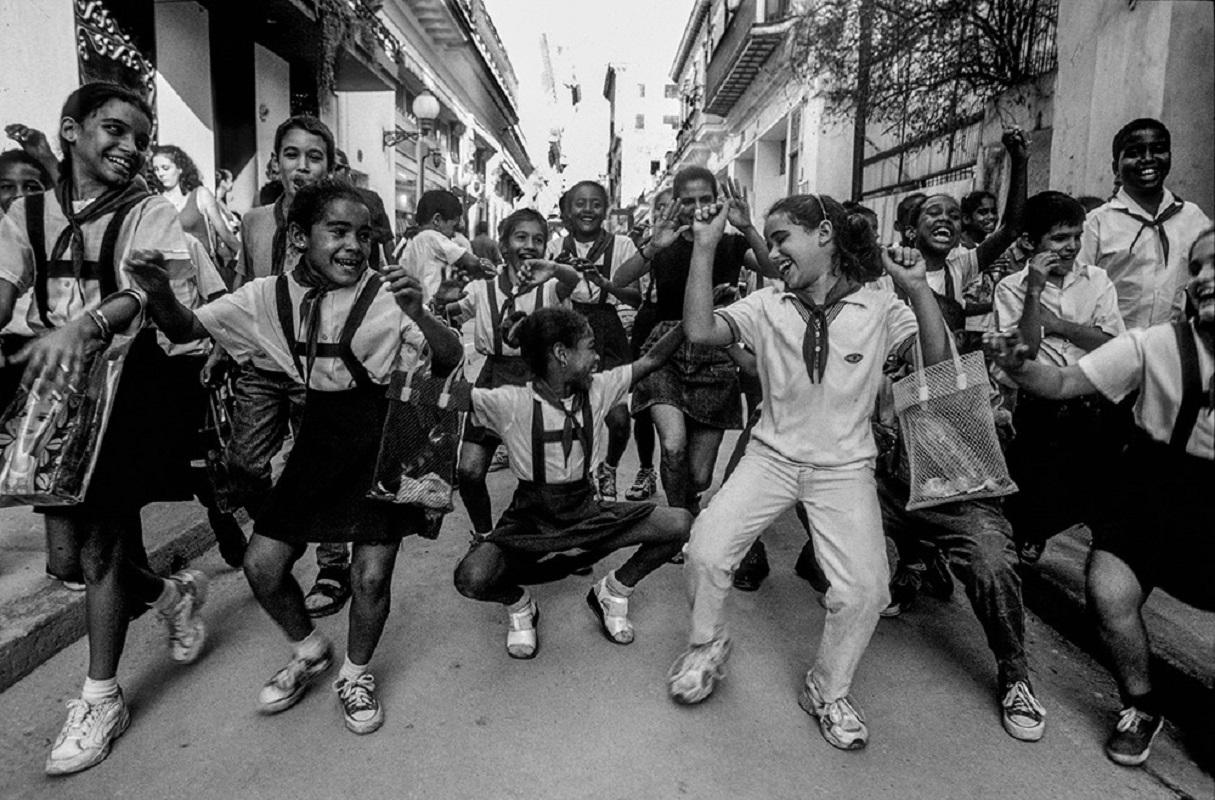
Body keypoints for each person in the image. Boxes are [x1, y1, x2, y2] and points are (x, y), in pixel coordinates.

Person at [129, 179, 463, 735]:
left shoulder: (389, 292)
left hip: (384, 435)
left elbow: (448, 360)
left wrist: (419, 312)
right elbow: (188, 328)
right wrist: (159, 291)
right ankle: (310, 649)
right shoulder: (264, 296)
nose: (353, 245)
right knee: (262, 566)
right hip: (319, 436)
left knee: (371, 575)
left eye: (364, 234)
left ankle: (355, 673)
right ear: (301, 236)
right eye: (338, 231)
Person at [668, 193, 951, 752]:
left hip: (845, 468)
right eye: (769, 241)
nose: (773, 252)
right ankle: (705, 644)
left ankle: (827, 688)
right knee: (706, 549)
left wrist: (919, 288)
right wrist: (704, 248)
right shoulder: (767, 304)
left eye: (781, 238)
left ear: (824, 234)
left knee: (866, 589)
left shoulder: (880, 306)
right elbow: (700, 331)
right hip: (770, 459)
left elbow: (939, 364)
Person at [0, 82, 209, 776]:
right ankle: (172, 593)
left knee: (100, 544)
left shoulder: (150, 210)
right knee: (66, 562)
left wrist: (84, 325)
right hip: (50, 393)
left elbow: (140, 294)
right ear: (70, 130)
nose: (129, 147)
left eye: (140, 139)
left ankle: (100, 696)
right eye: (114, 131)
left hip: (124, 391)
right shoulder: (24, 213)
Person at [984, 227, 1213, 768]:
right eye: (1197, 269)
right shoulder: (1154, 344)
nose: (1204, 279)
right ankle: (1141, 703)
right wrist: (1018, 365)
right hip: (1154, 490)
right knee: (1109, 593)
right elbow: (1062, 383)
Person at [452, 305, 691, 657]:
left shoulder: (599, 388)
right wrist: (422, 327)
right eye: (590, 347)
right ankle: (520, 605)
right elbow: (438, 394)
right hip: (530, 517)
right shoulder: (509, 401)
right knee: (470, 578)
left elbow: (652, 360)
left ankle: (614, 591)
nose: (597, 357)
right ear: (562, 354)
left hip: (585, 508)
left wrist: (690, 319)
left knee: (679, 523)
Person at [219, 115, 353, 618]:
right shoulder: (254, 222)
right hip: (261, 362)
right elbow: (240, 287)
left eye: (314, 156)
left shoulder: (342, 217)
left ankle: (333, 565)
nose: (303, 165)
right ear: (276, 162)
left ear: (330, 165)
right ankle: (286, 528)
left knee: (323, 464)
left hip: (321, 363)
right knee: (244, 466)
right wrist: (220, 346)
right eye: (292, 154)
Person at [612, 168, 772, 516]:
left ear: (718, 201)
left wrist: (746, 226)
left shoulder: (731, 245)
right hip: (664, 350)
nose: (698, 207)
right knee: (672, 447)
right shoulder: (666, 242)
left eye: (706, 199)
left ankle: (690, 502)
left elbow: (775, 269)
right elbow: (620, 277)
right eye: (688, 200)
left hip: (716, 355)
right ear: (677, 202)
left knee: (699, 476)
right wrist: (653, 247)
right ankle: (677, 522)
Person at [994, 191, 1125, 563]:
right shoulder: (1011, 288)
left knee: (1094, 483)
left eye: (1076, 236)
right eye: (1059, 238)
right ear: (1031, 243)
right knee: (1032, 483)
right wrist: (1034, 291)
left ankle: (1104, 559)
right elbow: (1026, 352)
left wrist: (1058, 326)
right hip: (1037, 404)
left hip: (1090, 399)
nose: (1070, 247)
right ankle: (1029, 534)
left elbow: (1109, 343)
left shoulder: (1097, 281)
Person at [445, 208, 565, 540]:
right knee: (468, 471)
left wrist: (556, 268)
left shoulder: (552, 287)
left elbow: (573, 283)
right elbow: (456, 308)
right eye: (521, 237)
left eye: (538, 239)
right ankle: (485, 538)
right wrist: (436, 307)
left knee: (544, 473)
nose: (529, 245)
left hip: (537, 380)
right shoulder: (483, 288)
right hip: (492, 377)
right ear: (504, 243)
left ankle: (557, 535)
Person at [546, 180, 644, 501]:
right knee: (572, 413)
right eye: (580, 204)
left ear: (606, 209)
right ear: (567, 211)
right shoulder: (555, 248)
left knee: (617, 416)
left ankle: (610, 467)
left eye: (596, 204)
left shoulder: (623, 245)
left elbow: (634, 298)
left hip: (608, 329)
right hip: (569, 329)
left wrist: (603, 282)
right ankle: (578, 477)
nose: (588, 210)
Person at [1079, 118, 1211, 331]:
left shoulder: (1193, 218)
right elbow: (1075, 293)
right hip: (1110, 348)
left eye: (1158, 150)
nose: (1148, 159)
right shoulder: (1096, 223)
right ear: (1116, 167)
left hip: (1169, 348)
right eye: (1134, 153)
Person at [623, 188, 672, 501]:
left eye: (673, 208)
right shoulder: (651, 248)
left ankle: (677, 478)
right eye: (661, 210)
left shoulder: (702, 244)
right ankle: (646, 469)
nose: (667, 215)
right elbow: (627, 282)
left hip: (682, 326)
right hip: (649, 323)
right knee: (642, 406)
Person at [0, 148, 52, 410]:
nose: (19, 195)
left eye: (31, 187)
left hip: (47, 361)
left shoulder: (58, 241)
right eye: (6, 186)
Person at [151, 144, 240, 285]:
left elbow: (224, 232)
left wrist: (245, 255)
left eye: (165, 168)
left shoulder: (200, 194)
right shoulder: (157, 201)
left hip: (204, 272)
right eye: (156, 169)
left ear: (180, 168)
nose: (160, 173)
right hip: (174, 277)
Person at [396, 189, 495, 306]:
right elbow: (473, 263)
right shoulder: (431, 236)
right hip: (424, 311)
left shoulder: (408, 239)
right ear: (437, 220)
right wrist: (497, 272)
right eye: (453, 227)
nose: (453, 235)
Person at [332, 148, 394, 269]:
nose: (331, 174)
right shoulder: (315, 204)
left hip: (364, 278)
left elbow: (387, 241)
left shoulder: (370, 200)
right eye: (327, 169)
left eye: (336, 168)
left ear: (346, 170)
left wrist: (395, 274)